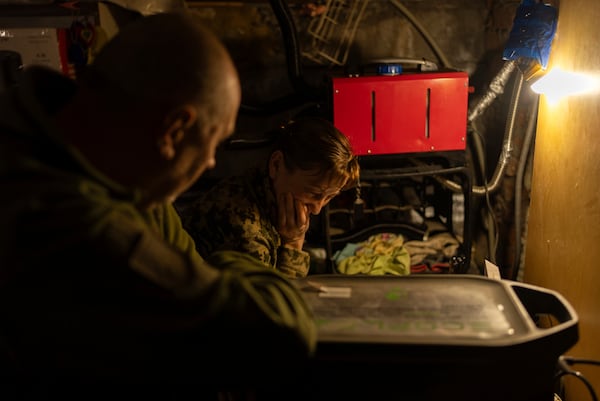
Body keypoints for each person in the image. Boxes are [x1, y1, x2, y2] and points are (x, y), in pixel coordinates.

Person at [0, 10, 316, 400]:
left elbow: (186, 268)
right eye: (212, 144)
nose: (211, 163)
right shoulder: (74, 222)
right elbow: (277, 333)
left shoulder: (54, 143)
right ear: (175, 130)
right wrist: (233, 261)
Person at [180, 117, 360, 278]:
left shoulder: (263, 183)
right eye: (313, 193)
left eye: (329, 197)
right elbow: (270, 307)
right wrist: (292, 244)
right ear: (276, 164)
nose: (317, 208)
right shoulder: (246, 229)